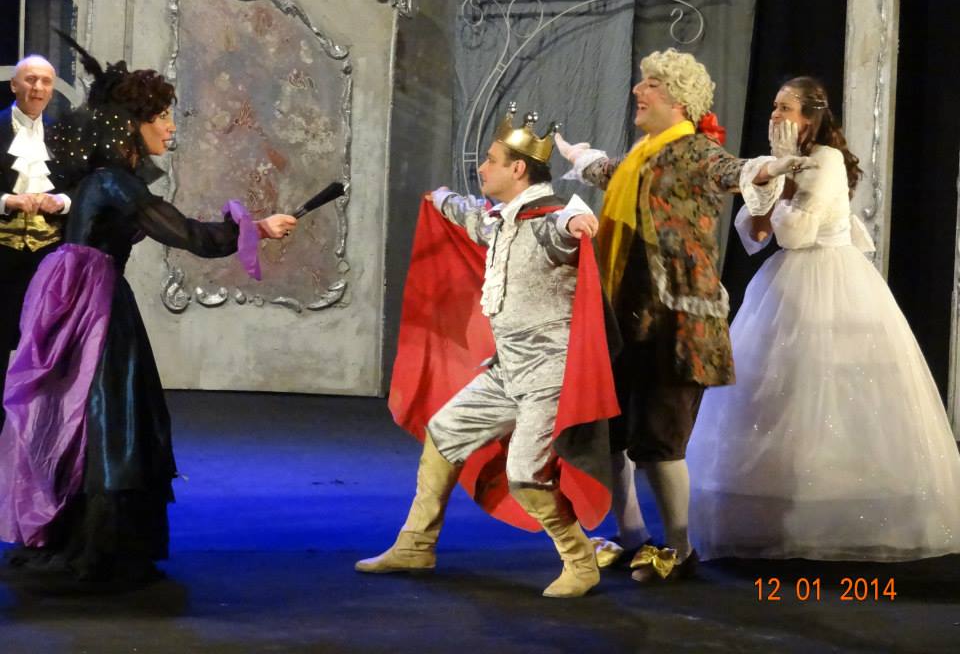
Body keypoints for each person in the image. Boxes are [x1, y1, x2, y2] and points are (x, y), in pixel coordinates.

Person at [0, 42, 297, 582]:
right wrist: (255, 228)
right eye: (160, 116)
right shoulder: (114, 180)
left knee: (100, 413)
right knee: (108, 415)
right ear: (132, 124)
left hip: (84, 298)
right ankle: (97, 546)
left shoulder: (106, 178)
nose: (170, 126)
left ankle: (94, 538)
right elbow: (184, 234)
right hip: (95, 307)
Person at [554, 49, 808, 582]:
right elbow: (610, 172)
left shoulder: (694, 150)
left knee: (660, 441)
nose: (637, 91)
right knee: (614, 435)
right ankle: (632, 539)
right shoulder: (644, 155)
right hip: (625, 318)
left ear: (677, 99)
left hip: (676, 323)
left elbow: (731, 171)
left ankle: (679, 548)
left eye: (650, 84)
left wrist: (770, 166)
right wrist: (577, 155)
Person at [686, 76, 960, 561]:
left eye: (785, 108)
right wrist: (770, 175)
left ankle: (832, 517)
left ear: (810, 116)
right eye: (773, 106)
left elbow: (796, 233)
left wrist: (781, 180)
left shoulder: (827, 159)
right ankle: (770, 515)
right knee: (775, 393)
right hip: (784, 282)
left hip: (829, 278)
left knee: (827, 391)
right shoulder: (778, 159)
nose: (775, 115)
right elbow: (755, 234)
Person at [358, 105, 619, 598]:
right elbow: (467, 213)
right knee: (444, 432)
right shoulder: (499, 221)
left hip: (549, 376)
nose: (482, 168)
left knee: (525, 474)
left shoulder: (548, 220)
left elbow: (570, 222)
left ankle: (579, 560)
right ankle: (416, 544)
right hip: (507, 372)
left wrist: (578, 220)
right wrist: (439, 198)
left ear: (518, 169)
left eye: (491, 161)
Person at [0, 56, 79, 428]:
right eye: (30, 80)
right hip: (2, 256)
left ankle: (40, 429)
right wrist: (7, 201)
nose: (38, 88)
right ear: (14, 85)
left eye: (46, 81)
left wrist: (60, 201)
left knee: (45, 345)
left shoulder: (62, 134)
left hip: (47, 259)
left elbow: (82, 188)